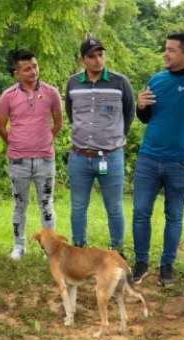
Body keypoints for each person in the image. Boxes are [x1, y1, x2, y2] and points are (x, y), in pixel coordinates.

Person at [132, 32, 184, 287]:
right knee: (140, 212)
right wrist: (140, 105)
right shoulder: (157, 80)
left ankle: (167, 266)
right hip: (149, 158)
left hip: (181, 162)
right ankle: (141, 263)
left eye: (172, 50)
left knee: (174, 215)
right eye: (165, 49)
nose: (166, 54)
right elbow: (145, 118)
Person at [65, 37, 134, 254]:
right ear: (83, 59)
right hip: (79, 157)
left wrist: (112, 140)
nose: (98, 60)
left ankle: (117, 251)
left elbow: (129, 114)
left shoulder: (120, 82)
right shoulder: (73, 83)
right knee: (78, 207)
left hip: (111, 157)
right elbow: (70, 113)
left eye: (100, 54)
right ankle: (79, 249)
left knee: (114, 208)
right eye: (92, 56)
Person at [0, 50, 63, 261]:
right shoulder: (8, 96)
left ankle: (50, 249)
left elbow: (58, 122)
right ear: (17, 72)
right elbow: (0, 126)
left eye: (35, 66)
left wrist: (45, 141)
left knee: (46, 203)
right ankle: (19, 246)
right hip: (18, 161)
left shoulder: (52, 93)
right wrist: (16, 143)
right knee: (19, 204)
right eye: (27, 68)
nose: (33, 71)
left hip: (45, 159)